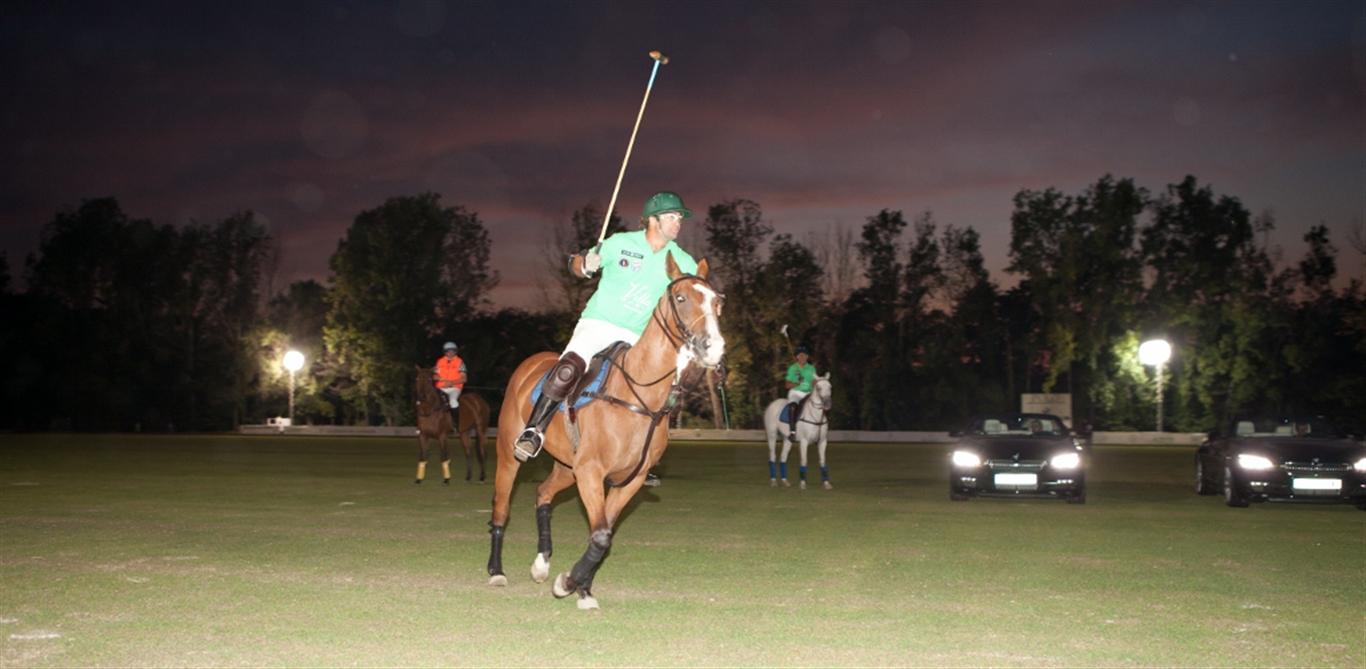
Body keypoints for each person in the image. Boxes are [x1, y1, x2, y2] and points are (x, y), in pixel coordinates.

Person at [514, 191, 700, 461]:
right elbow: (575, 264)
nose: (678, 222)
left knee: (663, 386)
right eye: (672, 216)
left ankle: (640, 454)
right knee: (568, 368)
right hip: (599, 323)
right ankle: (534, 431)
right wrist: (586, 264)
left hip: (638, 336)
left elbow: (697, 293)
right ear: (652, 220)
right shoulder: (620, 243)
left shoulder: (683, 261)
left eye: (680, 217)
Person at [783, 346, 817, 443]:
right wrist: (797, 382)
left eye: (804, 355)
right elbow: (787, 385)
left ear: (807, 357)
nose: (802, 357)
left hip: (808, 393)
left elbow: (814, 382)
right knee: (793, 407)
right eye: (800, 355)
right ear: (797, 357)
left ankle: (818, 431)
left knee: (819, 404)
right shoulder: (793, 368)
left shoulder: (811, 368)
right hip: (796, 393)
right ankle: (792, 432)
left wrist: (815, 387)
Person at [433, 342, 466, 423]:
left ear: (455, 352)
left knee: (453, 402)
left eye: (452, 351)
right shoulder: (440, 361)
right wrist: (437, 378)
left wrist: (451, 383)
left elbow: (464, 379)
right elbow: (434, 376)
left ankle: (456, 423)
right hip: (440, 388)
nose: (450, 353)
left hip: (454, 388)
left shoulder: (460, 362)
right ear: (445, 352)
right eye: (448, 351)